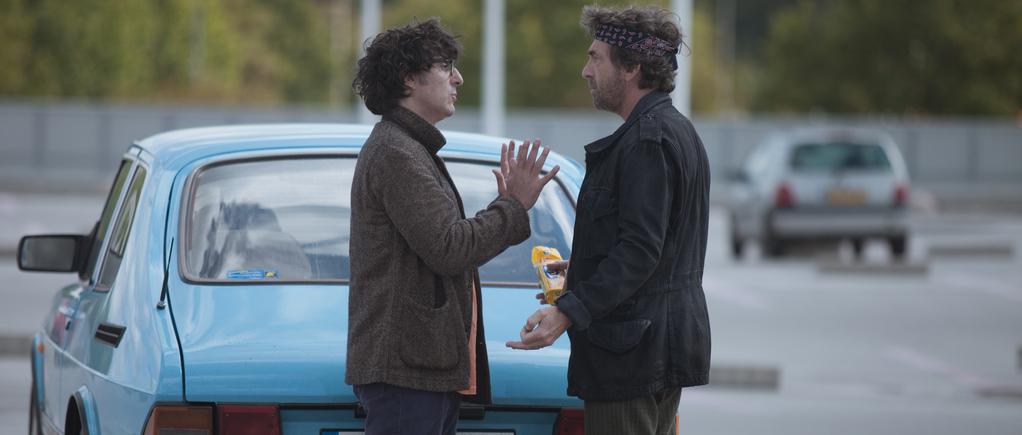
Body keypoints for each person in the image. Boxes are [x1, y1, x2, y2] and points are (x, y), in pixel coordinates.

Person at [346, 18, 560, 435]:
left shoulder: (408, 148)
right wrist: (513, 205)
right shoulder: (396, 152)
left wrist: (507, 207)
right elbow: (449, 248)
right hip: (407, 373)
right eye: (446, 67)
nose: (458, 78)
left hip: (418, 368)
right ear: (409, 79)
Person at [506, 5, 711, 435]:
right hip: (651, 346)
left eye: (595, 57)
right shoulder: (673, 130)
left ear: (632, 67)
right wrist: (581, 268)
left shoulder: (646, 142)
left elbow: (640, 250)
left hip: (633, 357)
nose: (585, 71)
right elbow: (655, 245)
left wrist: (566, 311)